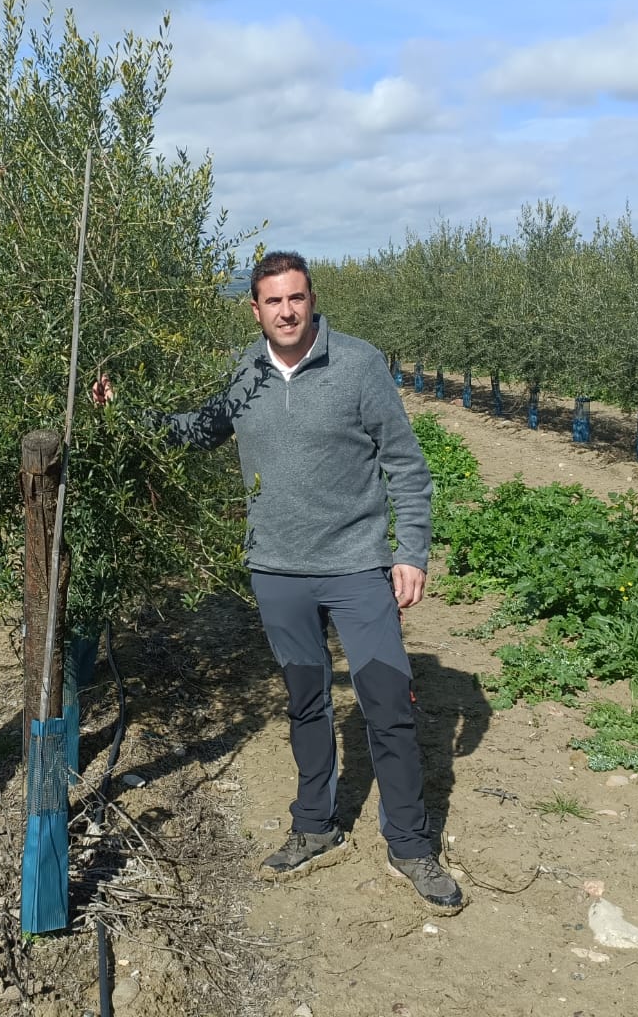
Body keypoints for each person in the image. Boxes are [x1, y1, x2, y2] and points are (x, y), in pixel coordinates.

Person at [94, 250, 462, 911]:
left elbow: (405, 463)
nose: (287, 311)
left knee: (387, 706)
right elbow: (198, 430)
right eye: (273, 301)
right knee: (307, 701)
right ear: (256, 308)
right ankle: (313, 827)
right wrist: (124, 415)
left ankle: (410, 845)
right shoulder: (245, 371)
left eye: (296, 298)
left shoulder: (357, 363)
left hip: (355, 566)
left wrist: (411, 551)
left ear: (311, 299)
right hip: (277, 571)